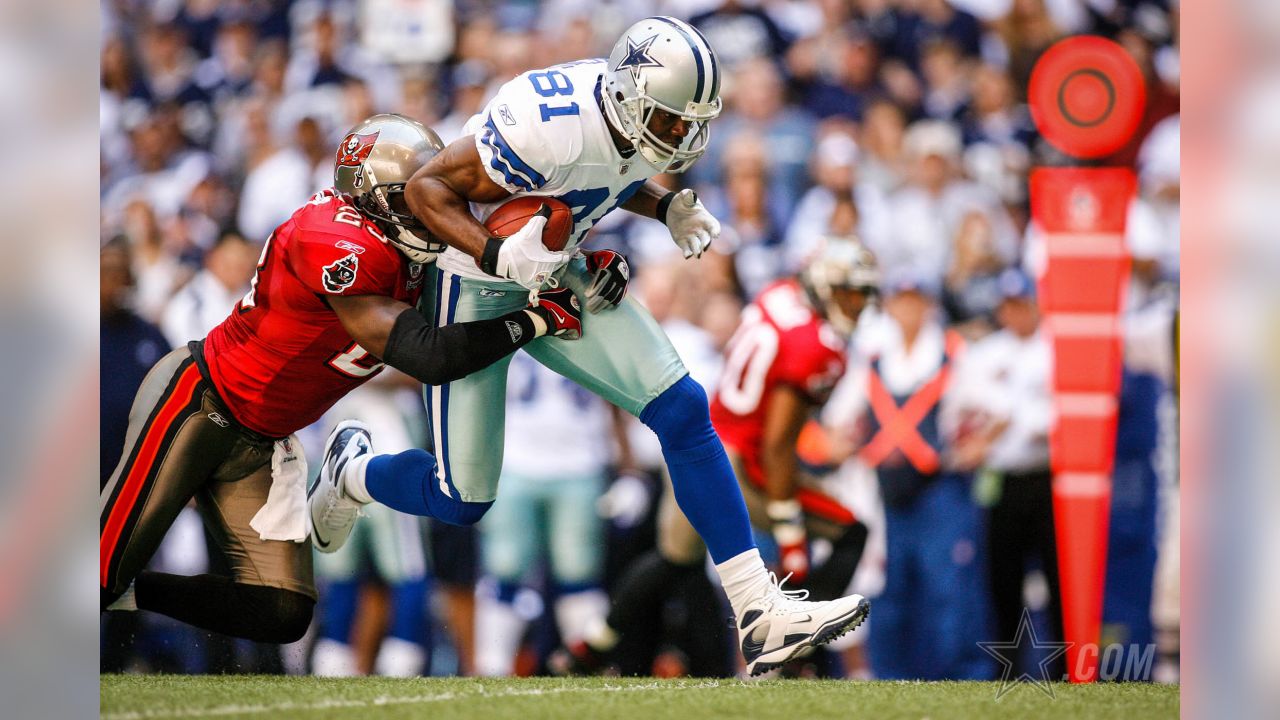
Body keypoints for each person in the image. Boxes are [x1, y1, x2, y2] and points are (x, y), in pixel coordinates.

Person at [326, 17, 870, 676]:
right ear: (631, 99)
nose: (684, 136)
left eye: (690, 122)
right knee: (461, 499)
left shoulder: (631, 120)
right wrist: (497, 254)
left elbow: (611, 172)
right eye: (672, 122)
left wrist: (662, 207)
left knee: (681, 408)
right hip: (474, 280)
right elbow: (427, 190)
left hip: (553, 270)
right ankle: (353, 472)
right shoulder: (541, 123)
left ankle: (759, 610)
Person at [100, 113, 584, 644]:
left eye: (438, 192)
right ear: (373, 198)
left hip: (263, 438)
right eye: (413, 198)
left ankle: (130, 593)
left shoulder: (407, 245)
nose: (431, 209)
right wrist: (537, 318)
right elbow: (427, 356)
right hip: (200, 403)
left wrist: (575, 269)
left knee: (282, 611)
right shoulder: (332, 238)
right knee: (97, 573)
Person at [563, 238, 880, 677]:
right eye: (850, 292)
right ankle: (795, 650)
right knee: (851, 532)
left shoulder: (778, 296)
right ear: (825, 285)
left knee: (673, 559)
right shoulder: (817, 345)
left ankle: (589, 649)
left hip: (701, 446)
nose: (858, 304)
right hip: (745, 463)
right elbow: (778, 444)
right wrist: (789, 531)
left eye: (863, 294)